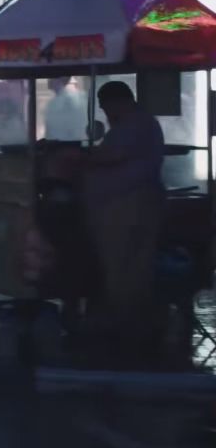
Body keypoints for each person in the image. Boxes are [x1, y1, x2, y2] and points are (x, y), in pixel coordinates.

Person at [82, 81, 165, 343]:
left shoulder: (133, 124)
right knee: (133, 266)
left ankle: (124, 328)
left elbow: (113, 156)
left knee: (122, 266)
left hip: (126, 205)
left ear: (117, 102)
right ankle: (132, 325)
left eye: (106, 107)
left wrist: (81, 156)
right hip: (135, 201)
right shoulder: (140, 122)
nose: (106, 113)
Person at [43, 77, 87, 142]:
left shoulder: (56, 103)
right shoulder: (83, 97)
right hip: (76, 144)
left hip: (65, 144)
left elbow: (50, 131)